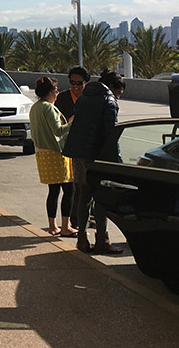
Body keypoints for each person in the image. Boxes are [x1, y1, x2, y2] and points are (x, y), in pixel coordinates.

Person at [62, 70, 126, 255]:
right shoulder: (109, 101)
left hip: (78, 154)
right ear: (113, 88)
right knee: (101, 198)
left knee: (83, 195)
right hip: (97, 156)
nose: (118, 97)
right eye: (119, 93)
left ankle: (82, 239)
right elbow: (110, 135)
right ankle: (102, 240)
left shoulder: (84, 97)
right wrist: (118, 163)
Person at [29, 77, 75, 237]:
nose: (57, 93)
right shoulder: (49, 108)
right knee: (69, 190)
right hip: (55, 153)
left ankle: (52, 225)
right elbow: (58, 131)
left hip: (42, 153)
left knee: (53, 191)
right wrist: (71, 123)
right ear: (50, 92)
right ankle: (65, 226)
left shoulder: (35, 107)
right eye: (56, 90)